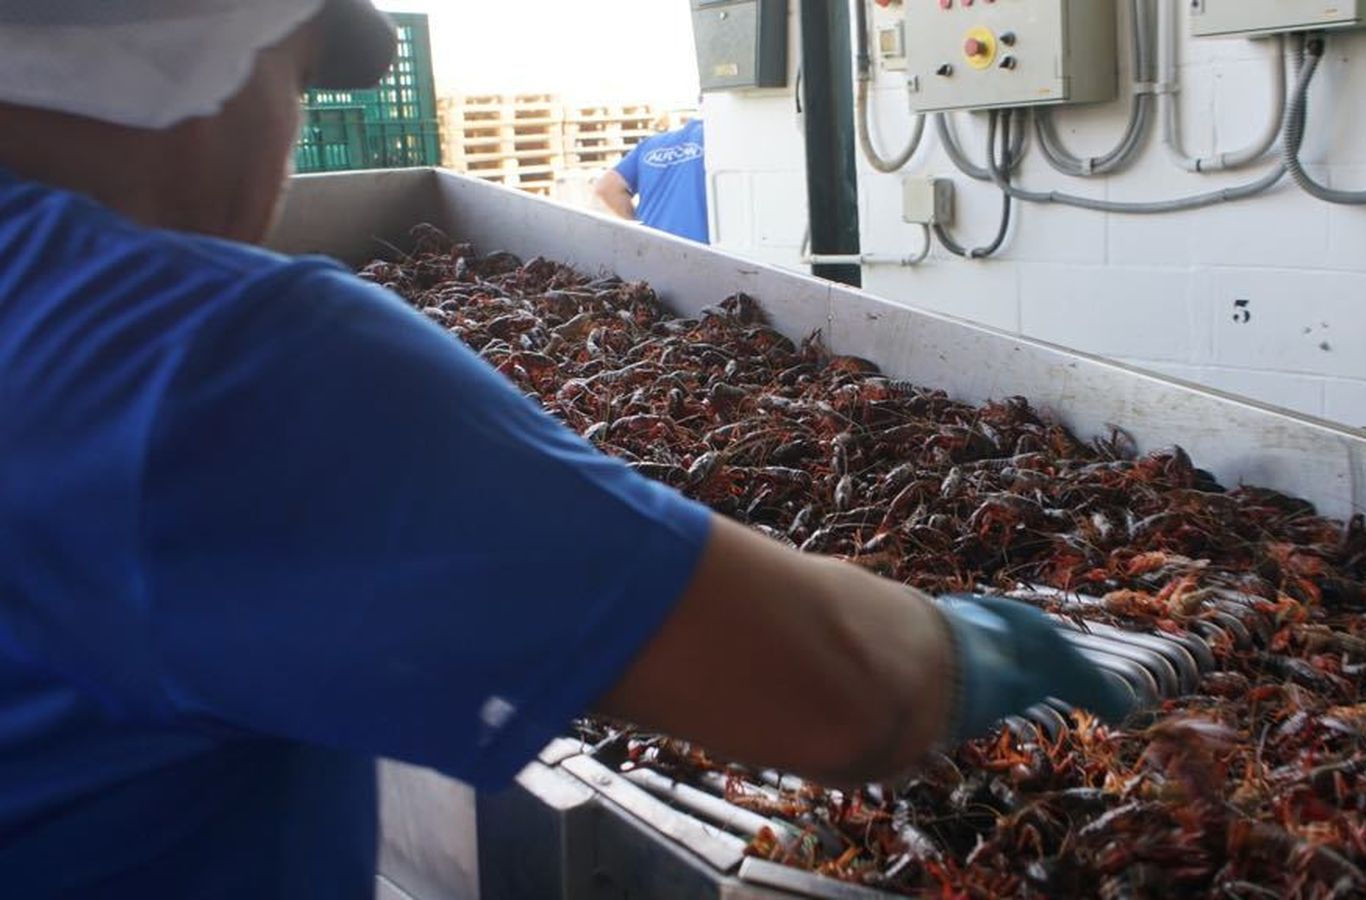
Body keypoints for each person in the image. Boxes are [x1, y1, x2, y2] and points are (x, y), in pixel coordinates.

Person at [0, 2, 1141, 896]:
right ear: (206, 59)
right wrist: (986, 651)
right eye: (296, 79)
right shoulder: (211, 358)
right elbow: (841, 691)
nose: (287, 147)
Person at [595, 115, 710, 243]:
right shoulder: (720, 141)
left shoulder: (652, 143)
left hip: (651, 248)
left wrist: (639, 225)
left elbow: (607, 187)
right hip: (702, 252)